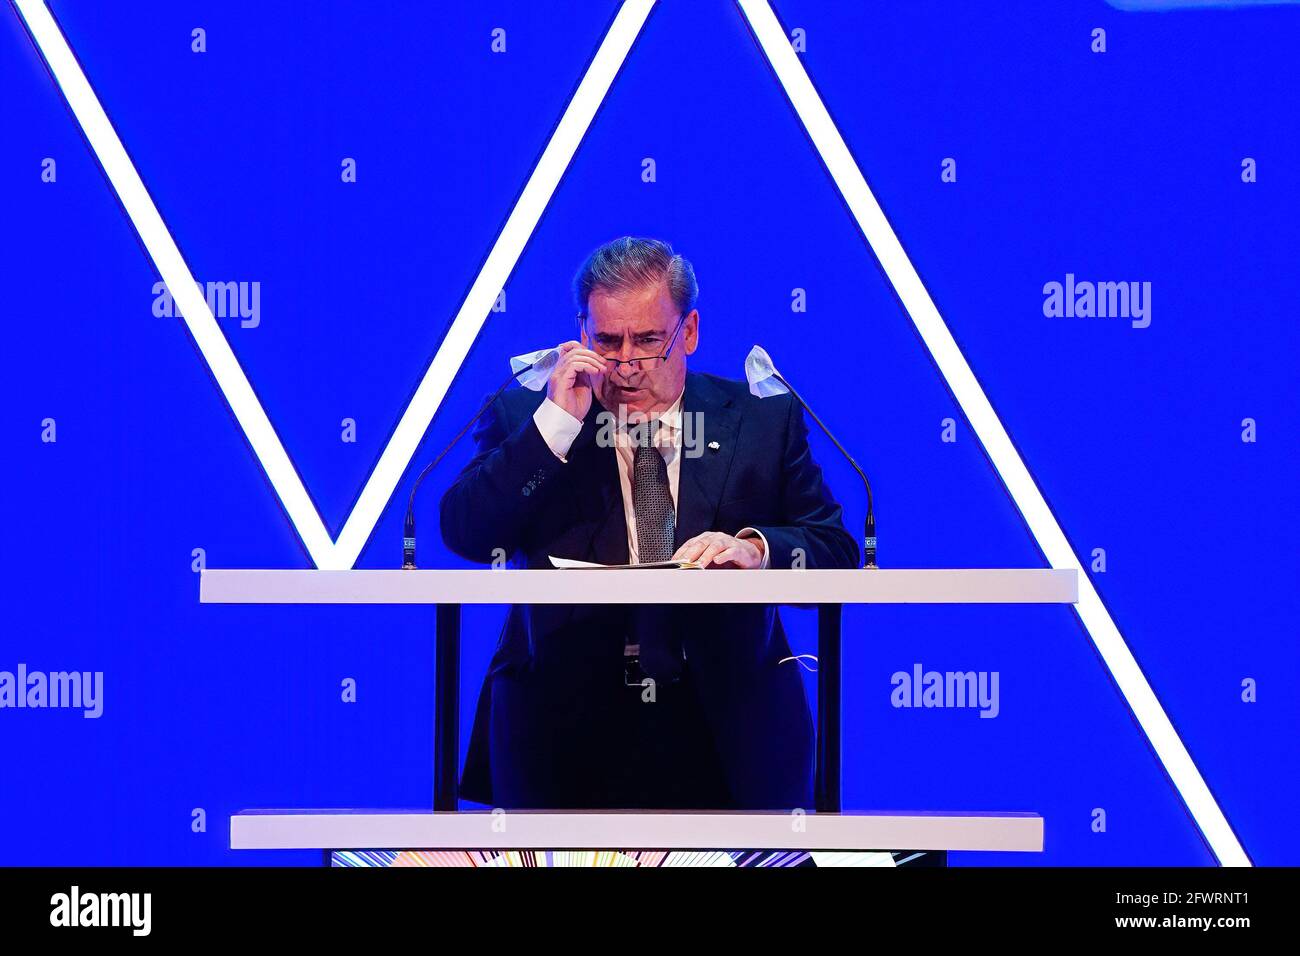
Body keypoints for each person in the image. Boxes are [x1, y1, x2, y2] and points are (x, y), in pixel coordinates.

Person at [440, 237, 858, 810]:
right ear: (582, 334)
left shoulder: (762, 418)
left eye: (648, 340)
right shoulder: (529, 416)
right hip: (561, 731)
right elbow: (466, 531)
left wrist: (758, 551)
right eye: (607, 342)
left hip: (727, 730)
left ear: (687, 332)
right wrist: (557, 426)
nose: (627, 365)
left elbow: (834, 548)